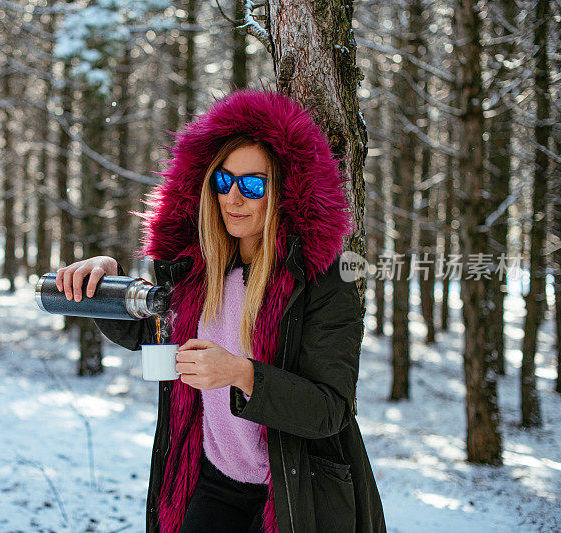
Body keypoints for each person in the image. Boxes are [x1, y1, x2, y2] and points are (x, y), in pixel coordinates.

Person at [54, 89, 386, 533]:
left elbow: (329, 410)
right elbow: (150, 333)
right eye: (223, 180)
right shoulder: (200, 270)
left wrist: (241, 373)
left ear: (283, 192)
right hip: (212, 481)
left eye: (253, 184)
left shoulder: (321, 281)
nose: (234, 197)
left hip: (291, 489)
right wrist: (104, 281)